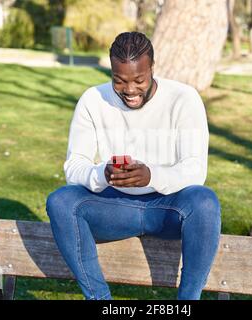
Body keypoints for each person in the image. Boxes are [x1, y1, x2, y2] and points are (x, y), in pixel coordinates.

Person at [46, 32, 222, 300]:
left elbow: (195, 170)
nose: (129, 90)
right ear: (112, 71)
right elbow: (74, 166)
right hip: (114, 207)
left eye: (139, 80)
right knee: (60, 202)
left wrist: (152, 175)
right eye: (120, 81)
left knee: (205, 202)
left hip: (169, 209)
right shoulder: (93, 100)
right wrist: (102, 173)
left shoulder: (184, 98)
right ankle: (100, 300)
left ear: (152, 68)